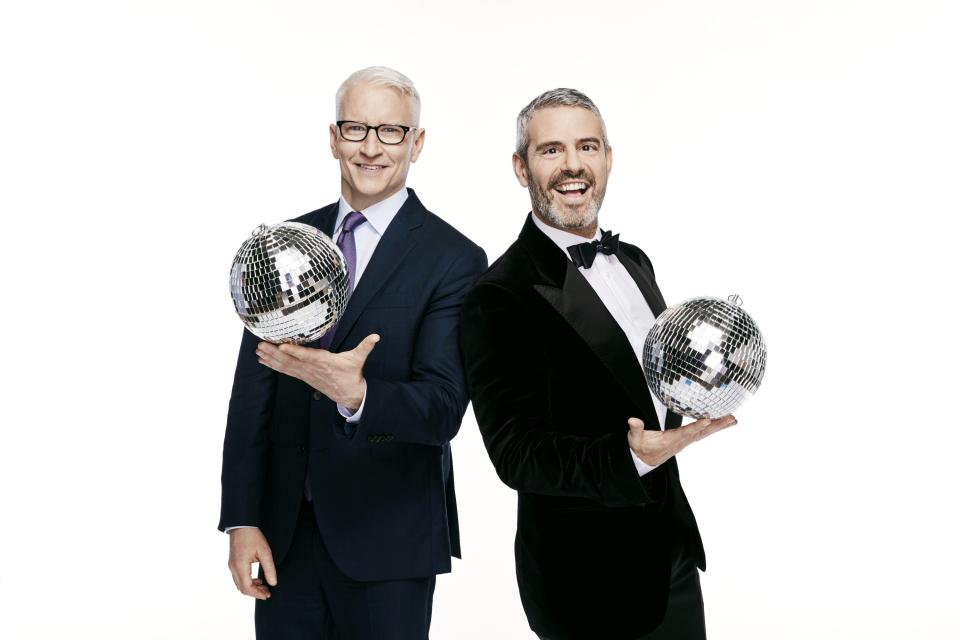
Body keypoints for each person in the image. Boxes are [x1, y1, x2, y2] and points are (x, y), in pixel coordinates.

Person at [219, 66, 487, 640]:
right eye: (356, 128)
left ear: (417, 143)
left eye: (390, 131)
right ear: (333, 137)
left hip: (389, 542)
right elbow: (252, 398)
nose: (371, 147)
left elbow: (443, 407)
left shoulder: (454, 258)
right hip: (286, 537)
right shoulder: (284, 244)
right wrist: (242, 518)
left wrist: (358, 394)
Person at [459, 88, 736, 640]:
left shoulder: (634, 262)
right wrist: (628, 456)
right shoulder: (499, 294)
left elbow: (642, 384)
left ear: (608, 157)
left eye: (587, 146)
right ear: (521, 167)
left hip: (671, 557)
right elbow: (517, 454)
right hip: (585, 584)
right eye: (551, 150)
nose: (573, 165)